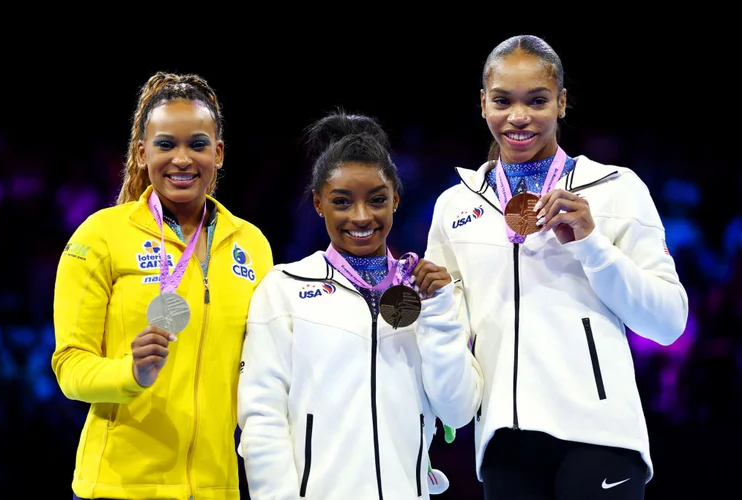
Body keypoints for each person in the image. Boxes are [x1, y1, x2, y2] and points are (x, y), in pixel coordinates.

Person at [424, 35, 689, 500]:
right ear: (483, 103)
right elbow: (449, 330)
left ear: (562, 102)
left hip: (601, 433)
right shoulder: (454, 206)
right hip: (506, 439)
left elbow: (668, 322)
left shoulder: (615, 189)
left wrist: (593, 245)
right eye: (503, 101)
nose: (519, 117)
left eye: (538, 100)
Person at [237, 110, 483, 499]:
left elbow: (457, 411)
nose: (361, 216)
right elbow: (262, 417)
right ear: (319, 204)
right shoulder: (283, 288)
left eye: (377, 200)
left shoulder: (429, 290)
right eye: (342, 202)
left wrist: (437, 313)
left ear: (395, 200)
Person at [51, 71, 274, 500]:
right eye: (165, 144)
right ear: (141, 153)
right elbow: (70, 366)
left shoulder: (252, 245)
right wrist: (130, 373)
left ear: (220, 152)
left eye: (198, 144)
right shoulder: (100, 236)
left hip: (216, 487)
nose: (182, 159)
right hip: (119, 488)